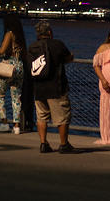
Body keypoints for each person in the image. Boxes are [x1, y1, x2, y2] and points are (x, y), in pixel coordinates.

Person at [29, 20, 77, 153]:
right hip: (56, 87)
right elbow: (67, 58)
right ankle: (63, 144)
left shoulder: (32, 47)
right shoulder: (58, 44)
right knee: (62, 117)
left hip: (38, 87)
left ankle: (43, 143)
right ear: (50, 32)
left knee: (42, 117)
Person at [0, 13, 26, 133]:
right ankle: (16, 126)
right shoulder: (20, 35)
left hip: (8, 67)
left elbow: (2, 51)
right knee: (16, 97)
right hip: (19, 66)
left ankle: (4, 123)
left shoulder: (9, 33)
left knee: (0, 95)